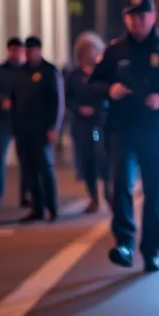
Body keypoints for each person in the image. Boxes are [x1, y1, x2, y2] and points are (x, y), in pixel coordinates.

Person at [87, 0, 159, 271]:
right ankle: (124, 242)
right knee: (120, 184)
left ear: (152, 17)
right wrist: (109, 89)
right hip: (122, 129)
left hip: (157, 130)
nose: (137, 21)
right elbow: (93, 84)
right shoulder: (115, 51)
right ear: (125, 18)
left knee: (154, 190)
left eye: (142, 15)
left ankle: (151, 251)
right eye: (132, 16)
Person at [11, 36, 65, 222]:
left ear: (39, 51)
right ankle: (37, 208)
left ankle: (52, 207)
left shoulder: (50, 71)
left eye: (32, 50)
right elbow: (15, 101)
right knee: (30, 170)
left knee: (45, 168)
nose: (29, 53)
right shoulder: (21, 72)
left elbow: (58, 102)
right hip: (23, 129)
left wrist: (54, 127)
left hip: (42, 129)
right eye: (27, 50)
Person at [67, 32, 110, 212]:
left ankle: (110, 192)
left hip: (101, 122)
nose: (89, 54)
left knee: (104, 158)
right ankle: (93, 197)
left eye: (92, 50)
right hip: (82, 124)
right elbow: (68, 97)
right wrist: (78, 108)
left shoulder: (104, 73)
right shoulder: (74, 75)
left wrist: (97, 109)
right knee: (87, 161)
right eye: (85, 51)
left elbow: (109, 95)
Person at [0, 37, 26, 210]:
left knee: (25, 160)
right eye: (13, 50)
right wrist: (1, 100)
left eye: (18, 50)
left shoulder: (27, 72)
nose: (16, 53)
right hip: (2, 120)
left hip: (23, 120)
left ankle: (26, 195)